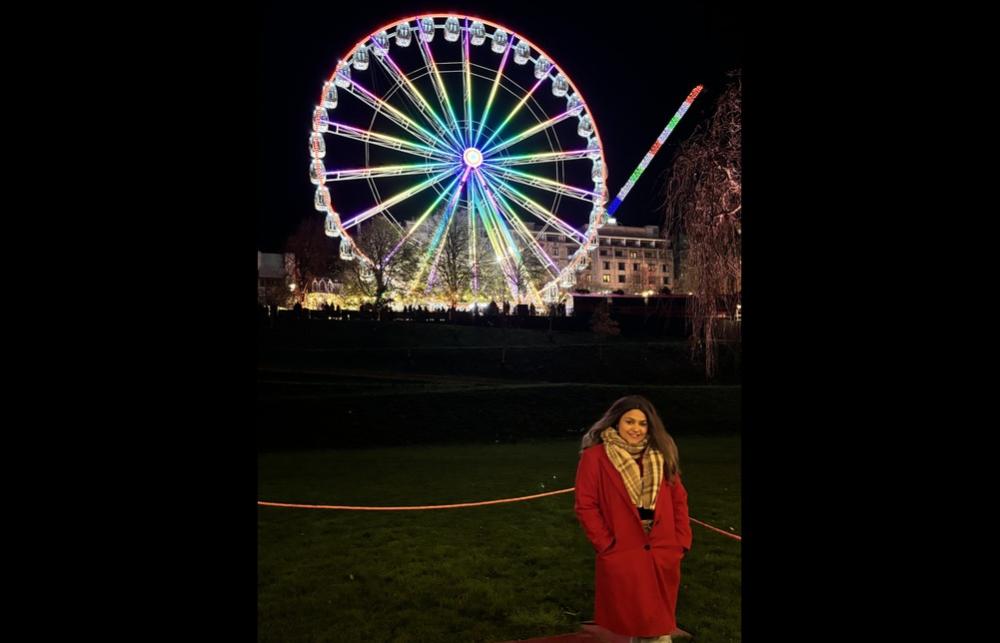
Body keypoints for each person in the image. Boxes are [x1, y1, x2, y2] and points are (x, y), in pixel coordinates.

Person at [574, 395, 691, 643]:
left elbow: (679, 501)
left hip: (662, 550)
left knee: (654, 626)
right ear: (616, 423)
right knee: (642, 624)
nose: (636, 429)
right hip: (625, 550)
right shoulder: (595, 457)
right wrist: (606, 544)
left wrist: (681, 542)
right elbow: (586, 505)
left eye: (643, 423)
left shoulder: (661, 455)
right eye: (629, 422)